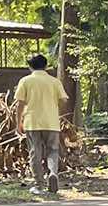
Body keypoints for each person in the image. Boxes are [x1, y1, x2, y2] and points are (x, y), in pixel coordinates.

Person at [11, 54, 70, 197]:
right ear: (46, 65)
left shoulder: (25, 81)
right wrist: (54, 109)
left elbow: (20, 104)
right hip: (51, 122)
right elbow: (64, 100)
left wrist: (18, 122)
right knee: (53, 151)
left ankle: (39, 184)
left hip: (32, 122)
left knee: (35, 153)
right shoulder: (54, 81)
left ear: (30, 66)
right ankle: (53, 173)